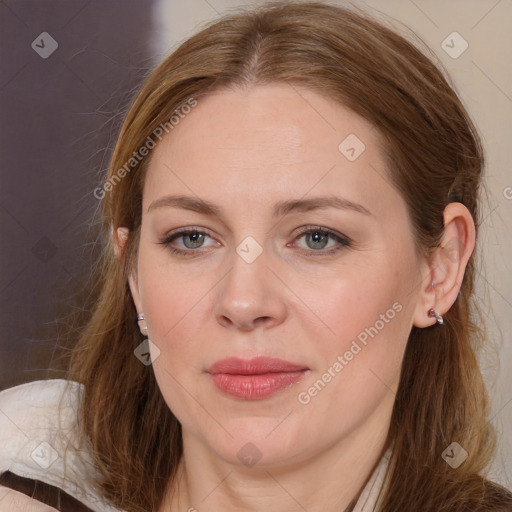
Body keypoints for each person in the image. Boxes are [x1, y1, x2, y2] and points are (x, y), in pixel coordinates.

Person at [1, 1, 511, 511]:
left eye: (317, 238)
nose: (243, 302)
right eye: (192, 238)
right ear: (132, 271)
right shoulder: (23, 466)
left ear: (440, 269)